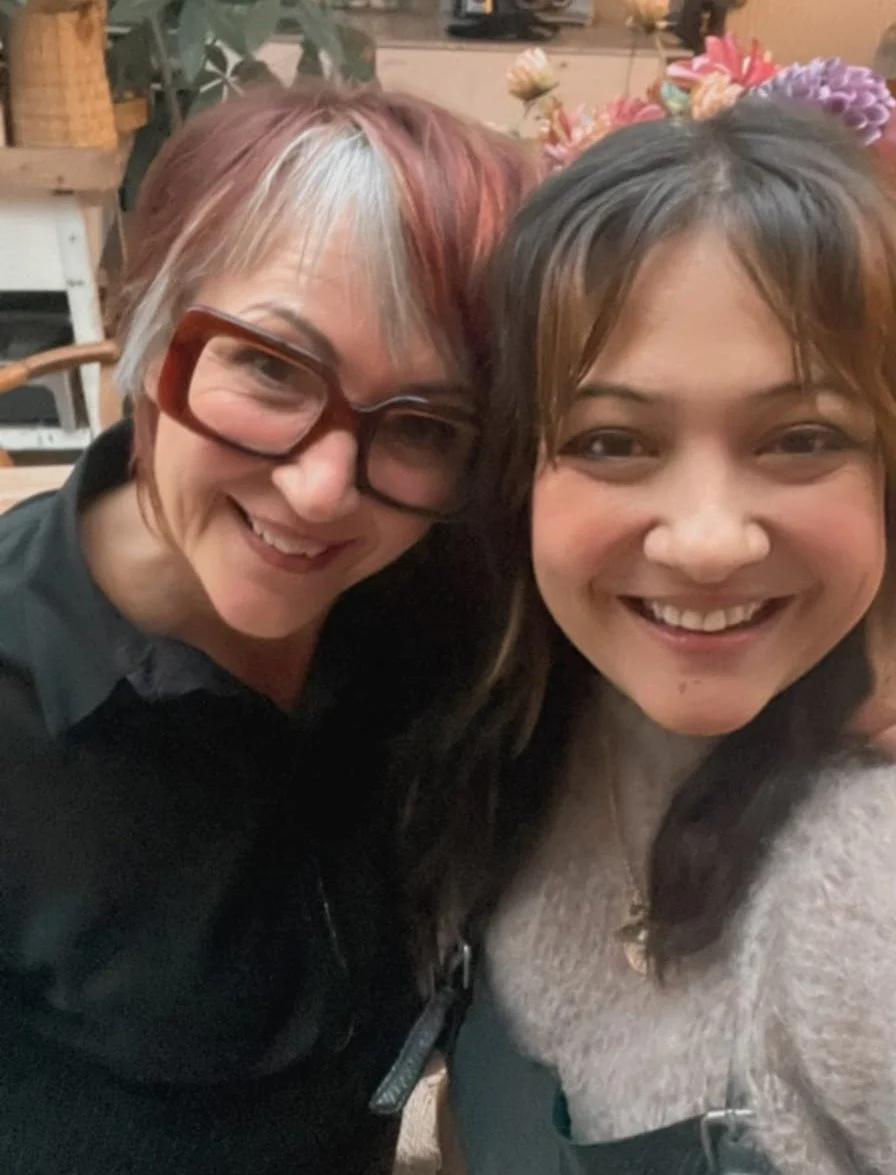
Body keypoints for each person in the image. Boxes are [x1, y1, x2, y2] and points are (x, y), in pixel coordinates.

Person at [0, 82, 536, 1175]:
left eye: (424, 423)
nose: (322, 488)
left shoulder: (447, 606)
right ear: (152, 332)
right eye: (269, 366)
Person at [404, 98, 896, 1173]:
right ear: (512, 472)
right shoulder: (506, 729)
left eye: (800, 436)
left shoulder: (864, 886)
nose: (706, 540)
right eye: (613, 439)